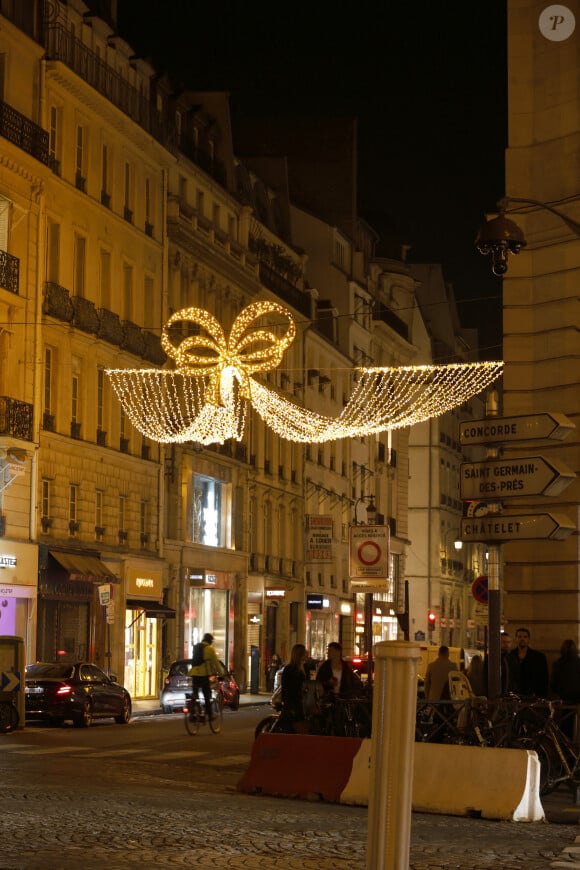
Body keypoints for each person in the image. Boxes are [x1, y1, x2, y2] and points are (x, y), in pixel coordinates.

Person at [188, 633, 225, 719]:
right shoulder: (210, 649)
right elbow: (216, 663)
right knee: (207, 694)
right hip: (203, 674)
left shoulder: (196, 647)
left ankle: (192, 713)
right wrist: (221, 674)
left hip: (193, 674)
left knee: (195, 693)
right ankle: (209, 714)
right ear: (210, 641)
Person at [507, 627, 549, 698]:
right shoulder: (510, 656)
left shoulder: (538, 657)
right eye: (519, 637)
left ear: (528, 639)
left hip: (532, 695)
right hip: (514, 695)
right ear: (516, 638)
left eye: (525, 637)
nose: (522, 639)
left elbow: (544, 678)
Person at [280, 643, 309, 732]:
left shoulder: (301, 668)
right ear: (300, 654)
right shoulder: (291, 669)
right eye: (305, 653)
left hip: (296, 703)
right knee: (297, 729)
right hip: (293, 705)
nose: (307, 655)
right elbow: (290, 689)